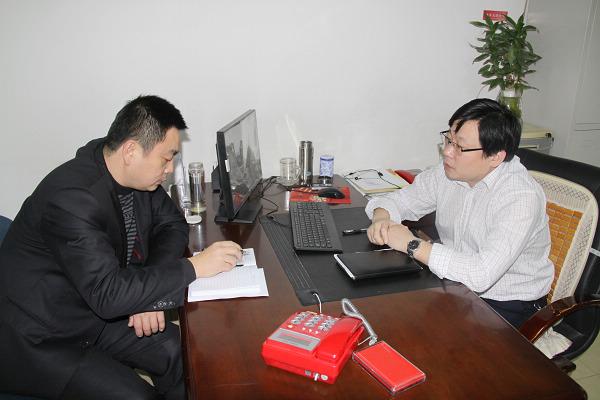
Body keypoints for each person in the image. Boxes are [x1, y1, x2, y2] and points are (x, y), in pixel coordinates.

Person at [0, 95, 242, 399]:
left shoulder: (132, 175)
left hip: (95, 310)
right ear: (131, 151)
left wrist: (146, 298)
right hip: (44, 337)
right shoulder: (71, 200)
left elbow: (173, 225)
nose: (170, 169)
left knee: (178, 351)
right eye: (166, 158)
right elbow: (108, 294)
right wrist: (193, 267)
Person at [366, 98, 554, 328]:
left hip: (507, 303)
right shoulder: (448, 172)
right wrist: (382, 217)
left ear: (495, 156)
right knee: (383, 311)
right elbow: (399, 200)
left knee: (417, 334)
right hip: (456, 285)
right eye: (448, 139)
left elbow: (481, 274)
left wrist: (412, 244)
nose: (447, 152)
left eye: (460, 147)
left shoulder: (520, 197)